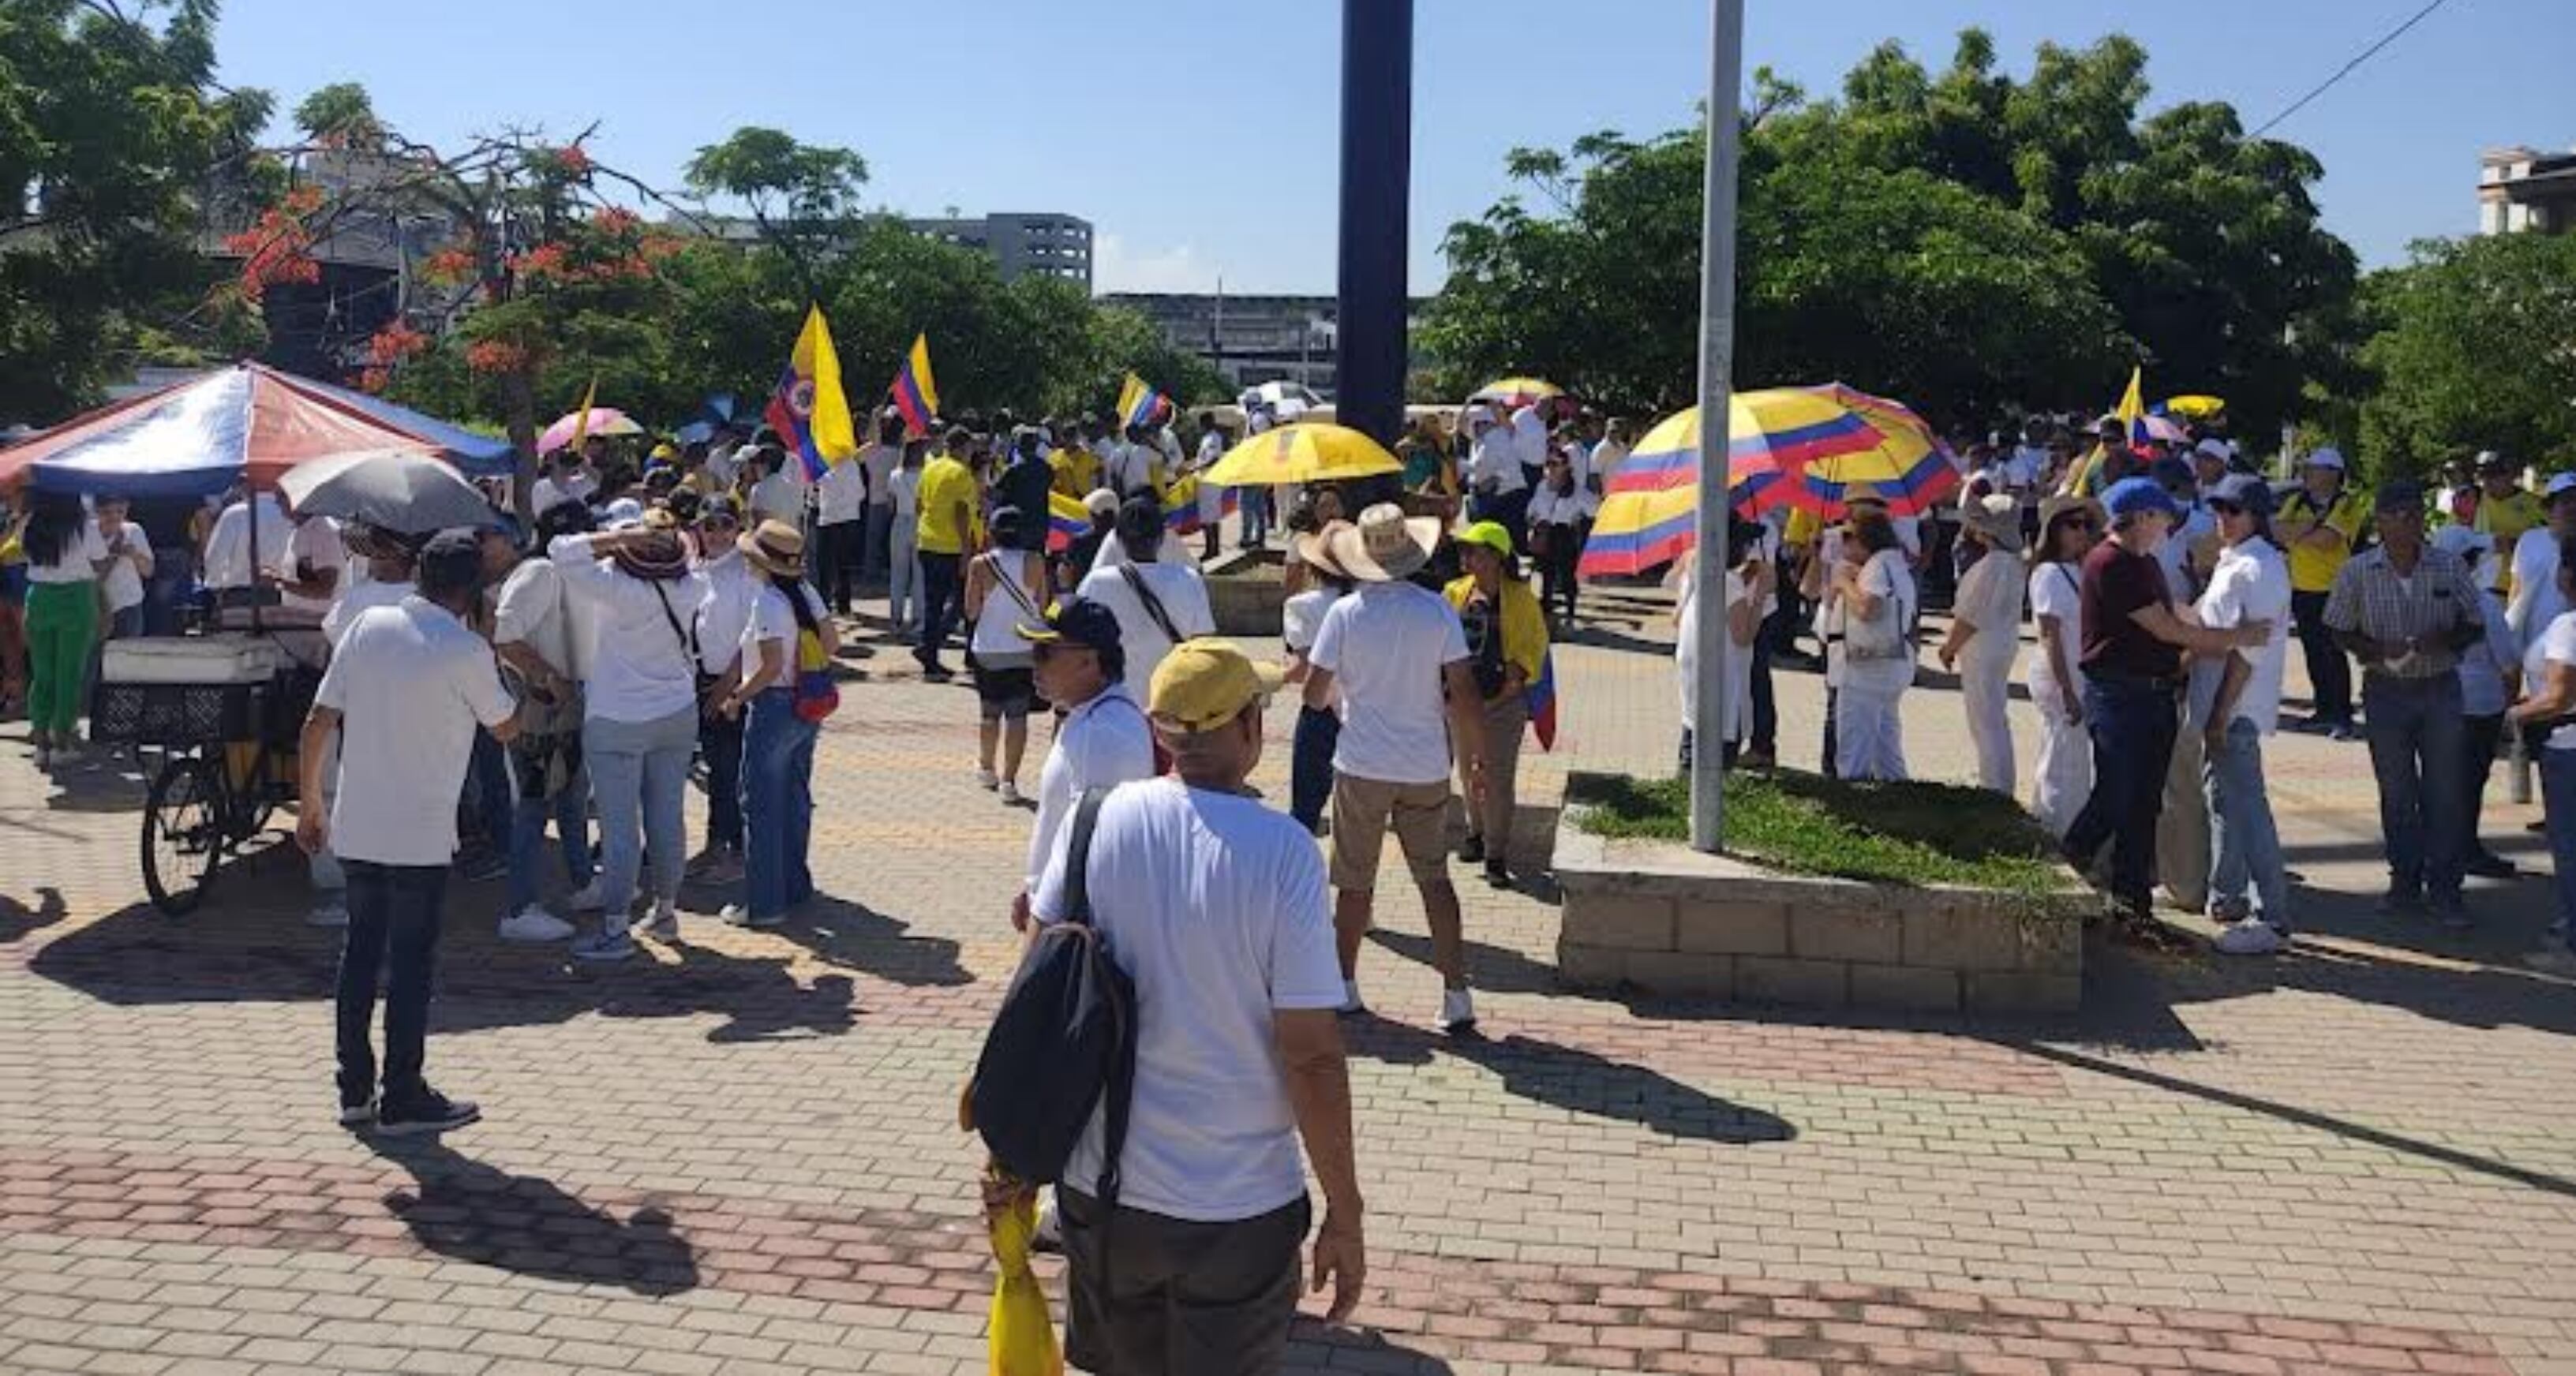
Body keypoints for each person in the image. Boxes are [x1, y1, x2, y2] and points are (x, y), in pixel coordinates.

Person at [1020, 638, 1363, 1374]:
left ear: (1162, 730)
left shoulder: (1091, 819)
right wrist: (1346, 1209)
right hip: (1237, 1209)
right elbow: (1310, 1053)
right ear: (1247, 728)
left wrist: (1013, 1153)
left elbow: (1035, 995)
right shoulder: (1285, 851)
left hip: (1101, 1188)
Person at [298, 530, 522, 1135]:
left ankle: (353, 1090)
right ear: (470, 590)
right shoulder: (465, 649)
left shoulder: (368, 627)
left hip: (359, 823)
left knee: (360, 956)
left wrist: (310, 803)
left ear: (419, 574)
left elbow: (319, 719)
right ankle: (402, 1094)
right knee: (411, 965)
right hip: (420, 831)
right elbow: (505, 726)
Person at [1303, 504, 1488, 1029]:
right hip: (1426, 763)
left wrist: (1343, 694)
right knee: (1435, 879)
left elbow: (1315, 695)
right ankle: (1456, 996)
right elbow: (1465, 692)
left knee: (1355, 883)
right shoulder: (1436, 611)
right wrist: (1477, 759)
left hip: (1362, 763)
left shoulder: (1344, 615)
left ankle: (1343, 984)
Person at [2061, 477, 2271, 920]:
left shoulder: (2144, 562)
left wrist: (2212, 622)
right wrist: (2235, 637)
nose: (2168, 527)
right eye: (2162, 517)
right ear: (2141, 517)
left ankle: (2131, 899)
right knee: (2116, 795)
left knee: (2144, 802)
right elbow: (2166, 628)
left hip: (2153, 696)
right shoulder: (2110, 562)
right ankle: (2066, 867)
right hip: (2120, 696)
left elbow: (2177, 613)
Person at [2323, 481, 2485, 927]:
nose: (2408, 523)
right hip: (2385, 691)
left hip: (2440, 688)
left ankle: (2447, 889)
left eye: (2414, 515)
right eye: (2398, 515)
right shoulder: (2357, 571)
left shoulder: (2448, 566)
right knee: (2397, 795)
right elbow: (2336, 628)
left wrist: (2444, 639)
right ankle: (2404, 883)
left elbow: (2475, 624)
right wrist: (2373, 649)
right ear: (2379, 521)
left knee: (2446, 792)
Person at [547, 513, 708, 959]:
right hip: (677, 712)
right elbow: (688, 561)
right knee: (667, 817)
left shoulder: (614, 588)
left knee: (620, 830)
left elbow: (561, 550)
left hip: (616, 717)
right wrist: (659, 542)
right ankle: (666, 912)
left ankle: (617, 929)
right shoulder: (692, 587)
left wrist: (620, 536)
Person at [714, 522, 836, 929]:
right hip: (807, 702)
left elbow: (768, 667)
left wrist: (737, 698)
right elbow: (831, 642)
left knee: (760, 804)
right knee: (794, 798)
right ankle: (795, 886)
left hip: (774, 705)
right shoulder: (806, 593)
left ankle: (765, 904)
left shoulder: (768, 602)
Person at [2193, 474, 2297, 954]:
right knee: (2224, 801)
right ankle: (2228, 895)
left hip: (2235, 706)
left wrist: (2219, 713)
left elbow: (2247, 651)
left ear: (2256, 516)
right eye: (2218, 509)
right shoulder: (2235, 560)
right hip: (2219, 701)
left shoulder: (2260, 567)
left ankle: (2272, 916)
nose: (2223, 518)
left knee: (2249, 809)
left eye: (2233, 510)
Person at [489, 502, 601, 942]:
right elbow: (506, 637)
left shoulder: (558, 573)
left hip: (562, 705)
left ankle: (582, 883)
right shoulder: (541, 573)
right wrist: (550, 680)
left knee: (573, 798)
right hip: (544, 708)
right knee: (535, 806)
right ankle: (519, 908)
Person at [1013, 598, 1154, 934]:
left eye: (1045, 654)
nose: (1034, 665)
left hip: (1075, 922)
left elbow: (1087, 851)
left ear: (1088, 661)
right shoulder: (1086, 715)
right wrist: (1033, 884)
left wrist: (1042, 924)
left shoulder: (1103, 733)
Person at [1443, 522, 1547, 888]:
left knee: (1498, 778)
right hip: (1461, 702)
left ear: (1498, 557)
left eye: (1475, 551)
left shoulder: (1521, 599)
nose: (1467, 557)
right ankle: (1474, 831)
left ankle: (1496, 852)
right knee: (1469, 773)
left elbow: (1534, 648)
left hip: (1505, 704)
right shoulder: (1454, 592)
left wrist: (1510, 684)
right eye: (1466, 550)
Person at [2432, 525, 2522, 880]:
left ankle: (2434, 850)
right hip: (2479, 708)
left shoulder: (2425, 597)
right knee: (2468, 784)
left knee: (2439, 782)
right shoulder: (2483, 604)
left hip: (2434, 704)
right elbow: (2508, 664)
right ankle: (2463, 850)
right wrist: (2511, 706)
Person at [680, 496, 755, 888]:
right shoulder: (695, 570)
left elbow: (752, 638)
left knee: (732, 773)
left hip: (735, 687)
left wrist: (726, 688)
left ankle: (739, 852)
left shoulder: (745, 574)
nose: (717, 533)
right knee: (714, 772)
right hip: (700, 681)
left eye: (726, 524)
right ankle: (714, 844)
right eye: (709, 525)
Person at [1076, 497, 1216, 707]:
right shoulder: (1188, 579)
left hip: (1116, 704)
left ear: (1119, 539)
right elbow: (1204, 642)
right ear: (1161, 538)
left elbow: (1077, 637)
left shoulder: (1097, 582)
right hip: (1173, 701)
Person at [2509, 543, 2576, 975]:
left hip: (2568, 745)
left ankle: (2572, 947)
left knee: (2570, 848)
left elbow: (2559, 695)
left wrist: (2515, 714)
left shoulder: (2568, 626)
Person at [2275, 447, 2368, 738]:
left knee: (2334, 653)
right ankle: (2323, 710)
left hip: (2335, 588)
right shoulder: (2296, 500)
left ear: (2332, 473)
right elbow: (2277, 532)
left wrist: (2299, 532)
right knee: (2314, 653)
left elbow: (2329, 541)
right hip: (2302, 587)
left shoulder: (2348, 504)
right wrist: (2311, 526)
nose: (2307, 473)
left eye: (2313, 468)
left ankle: (2341, 714)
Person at [1938, 494, 2026, 795]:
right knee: (1992, 716)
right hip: (2000, 642)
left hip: (1983, 646)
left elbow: (1971, 615)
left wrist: (1949, 647)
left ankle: (1996, 786)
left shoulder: (1993, 565)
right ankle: (1997, 782)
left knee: (1985, 719)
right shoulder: (2011, 561)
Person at [2027, 495, 2102, 837]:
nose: (2081, 532)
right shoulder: (2048, 572)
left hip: (2078, 672)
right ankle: (2060, 831)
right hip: (2061, 674)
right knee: (2063, 759)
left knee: (2067, 755)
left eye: (2087, 525)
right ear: (2054, 530)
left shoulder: (2081, 569)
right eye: (2073, 525)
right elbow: (2050, 635)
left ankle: (2056, 824)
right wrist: (2067, 689)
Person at [17, 489, 107, 769]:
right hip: (76, 598)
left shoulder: (29, 523)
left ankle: (41, 741)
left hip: (39, 597)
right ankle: (62, 742)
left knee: (42, 672)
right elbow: (100, 561)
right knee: (69, 673)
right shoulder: (85, 526)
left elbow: (22, 552)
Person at [1674, 517, 1773, 772]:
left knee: (1692, 743)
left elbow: (1675, 618)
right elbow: (1743, 636)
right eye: (1746, 543)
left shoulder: (1696, 570)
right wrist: (1760, 595)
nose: (1748, 549)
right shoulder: (1729, 583)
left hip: (1695, 675)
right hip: (1722, 681)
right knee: (1718, 758)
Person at [965, 507, 1048, 802]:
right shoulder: (1036, 561)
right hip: (1024, 646)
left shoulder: (980, 564)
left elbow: (971, 610)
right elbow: (1043, 603)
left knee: (989, 712)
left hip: (988, 647)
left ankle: (987, 767)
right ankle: (1009, 781)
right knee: (1018, 715)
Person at [1830, 508, 1918, 782]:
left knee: (1854, 748)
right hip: (1891, 662)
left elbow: (1869, 608)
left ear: (1864, 540)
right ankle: (1896, 796)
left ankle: (1853, 808)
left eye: (1848, 537)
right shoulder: (1893, 562)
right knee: (1886, 744)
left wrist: (1844, 583)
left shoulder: (1878, 566)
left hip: (1867, 667)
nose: (1843, 545)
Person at [1283, 522, 1354, 836]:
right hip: (1363, 711)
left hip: (1321, 710)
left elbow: (1301, 670)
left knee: (1305, 811)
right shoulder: (1368, 603)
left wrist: (1270, 676)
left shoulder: (1301, 606)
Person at [912, 428, 981, 679]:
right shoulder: (961, 474)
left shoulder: (930, 468)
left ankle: (929, 652)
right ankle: (931, 651)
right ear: (963, 448)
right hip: (950, 547)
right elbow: (962, 514)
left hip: (927, 542)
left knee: (934, 603)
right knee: (962, 601)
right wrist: (966, 551)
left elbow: (919, 504)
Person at [1526, 450, 1597, 625]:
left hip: (1564, 534)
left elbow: (1594, 508)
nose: (1550, 468)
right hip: (1544, 532)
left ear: (1566, 467)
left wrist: (1579, 518)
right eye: (1548, 464)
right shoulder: (1542, 486)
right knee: (1546, 576)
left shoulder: (1576, 490)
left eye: (1555, 464)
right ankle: (1547, 613)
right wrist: (1532, 519)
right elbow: (1533, 507)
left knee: (1567, 575)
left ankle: (1570, 612)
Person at [2507, 473, 2576, 649]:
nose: (2573, 506)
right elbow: (2516, 589)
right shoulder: (2529, 540)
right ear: (2549, 508)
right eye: (2566, 500)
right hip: (2532, 645)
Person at [812, 443, 868, 616]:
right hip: (850, 518)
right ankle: (844, 605)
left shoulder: (823, 469)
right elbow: (861, 494)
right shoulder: (852, 466)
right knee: (844, 565)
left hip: (828, 519)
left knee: (825, 566)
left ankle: (824, 604)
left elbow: (815, 493)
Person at [2473, 451, 2544, 575]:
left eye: (2495, 474)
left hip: (2523, 574)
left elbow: (2550, 542)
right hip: (2480, 574)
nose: (2487, 481)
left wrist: (2514, 544)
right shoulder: (2472, 501)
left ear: (2511, 475)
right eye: (2483, 475)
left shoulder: (2535, 504)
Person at [886, 436, 927, 641]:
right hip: (920, 523)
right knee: (919, 575)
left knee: (898, 573)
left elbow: (890, 505)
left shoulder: (895, 475)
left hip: (900, 522)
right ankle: (918, 619)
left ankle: (895, 618)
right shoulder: (926, 475)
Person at [994, 429, 1058, 554]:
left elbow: (997, 494)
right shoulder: (1047, 468)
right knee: (1037, 564)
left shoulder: (1013, 470)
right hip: (1040, 525)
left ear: (1019, 446)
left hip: (1016, 526)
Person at [859, 413, 904, 582]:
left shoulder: (874, 453)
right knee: (892, 541)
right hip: (898, 502)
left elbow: (871, 443)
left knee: (874, 540)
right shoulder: (901, 453)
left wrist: (875, 420)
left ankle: (871, 573)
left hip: (876, 500)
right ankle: (893, 571)